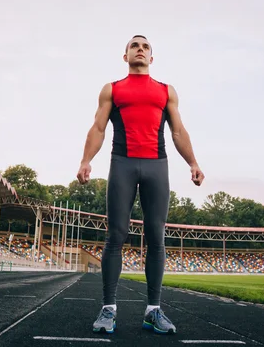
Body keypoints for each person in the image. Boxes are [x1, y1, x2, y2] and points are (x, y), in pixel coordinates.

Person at [76, 35, 204, 335]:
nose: (140, 50)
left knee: (156, 237)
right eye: (135, 46)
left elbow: (178, 131)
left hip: (156, 166)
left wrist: (193, 163)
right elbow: (98, 128)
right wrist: (85, 160)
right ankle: (108, 309)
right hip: (122, 163)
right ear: (126, 56)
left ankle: (153, 311)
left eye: (145, 47)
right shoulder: (112, 89)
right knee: (116, 235)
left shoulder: (165, 91)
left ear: (151, 58)